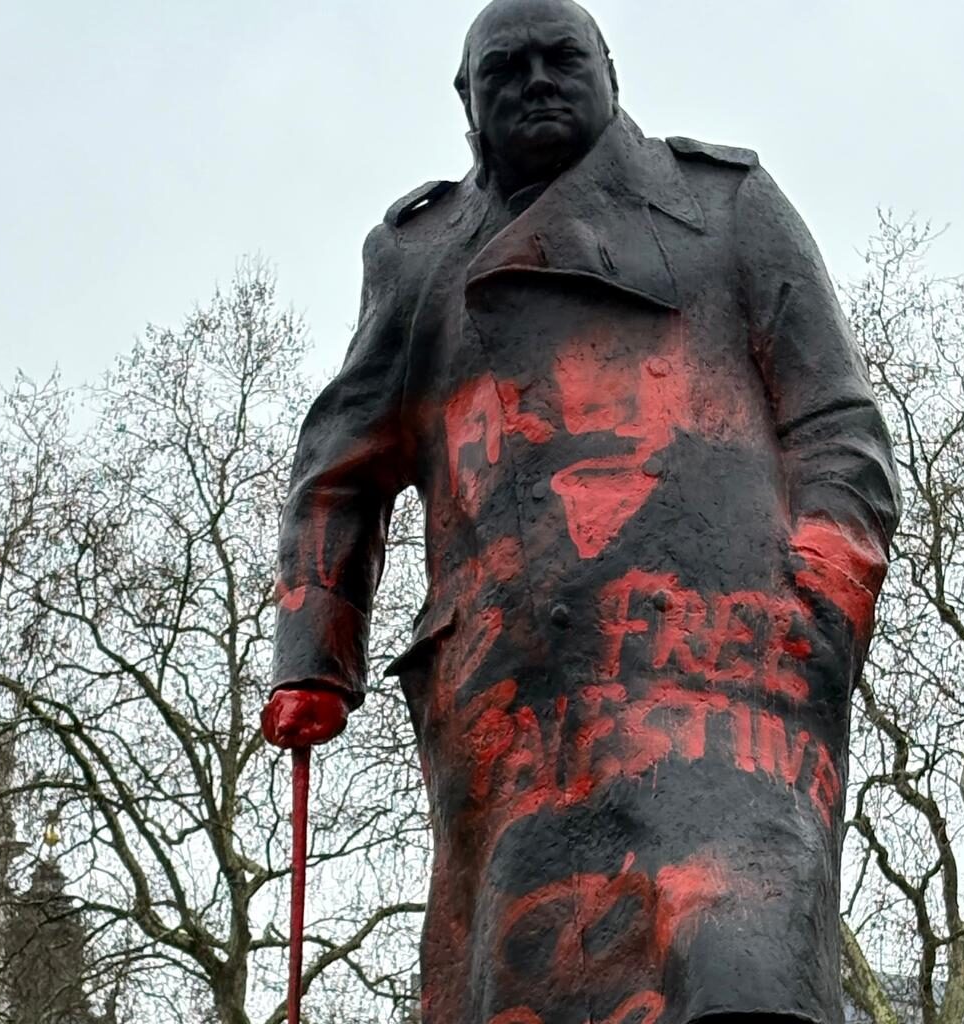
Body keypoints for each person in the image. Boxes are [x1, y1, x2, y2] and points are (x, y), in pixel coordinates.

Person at [262, 1, 901, 1021]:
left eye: (563, 59)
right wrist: (313, 654)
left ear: (611, 70)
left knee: (745, 955)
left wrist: (817, 603)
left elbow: (838, 425)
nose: (537, 82)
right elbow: (339, 462)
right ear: (465, 103)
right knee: (536, 974)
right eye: (504, 70)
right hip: (517, 708)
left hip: (729, 674)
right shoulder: (418, 257)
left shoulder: (724, 203)